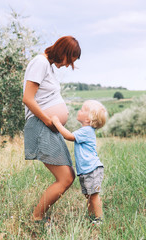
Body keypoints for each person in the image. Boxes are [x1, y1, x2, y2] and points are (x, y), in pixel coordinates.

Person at [22, 36, 81, 223]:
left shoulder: (47, 66)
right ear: (63, 52)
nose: (66, 65)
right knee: (66, 178)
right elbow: (28, 98)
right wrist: (48, 120)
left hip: (48, 127)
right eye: (68, 61)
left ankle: (38, 216)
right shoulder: (40, 62)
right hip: (41, 126)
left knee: (68, 176)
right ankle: (36, 217)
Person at [51, 100, 108, 225]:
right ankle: (92, 218)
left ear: (88, 119)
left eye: (82, 110)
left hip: (92, 169)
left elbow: (69, 136)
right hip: (87, 170)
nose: (79, 111)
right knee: (89, 196)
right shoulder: (85, 130)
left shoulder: (87, 131)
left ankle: (98, 219)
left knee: (93, 196)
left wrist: (56, 123)